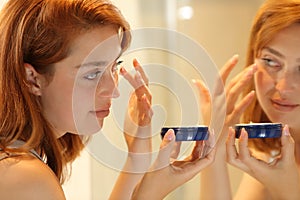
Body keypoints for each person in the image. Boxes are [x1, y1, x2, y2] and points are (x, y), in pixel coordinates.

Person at [0, 0, 216, 199]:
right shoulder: (26, 178)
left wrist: (137, 158)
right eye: (92, 74)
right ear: (32, 79)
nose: (113, 91)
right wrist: (150, 191)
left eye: (114, 67)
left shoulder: (17, 164)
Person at [194, 0, 300, 199]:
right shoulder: (275, 156)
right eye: (270, 61)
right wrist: (213, 145)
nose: (283, 86)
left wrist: (289, 193)